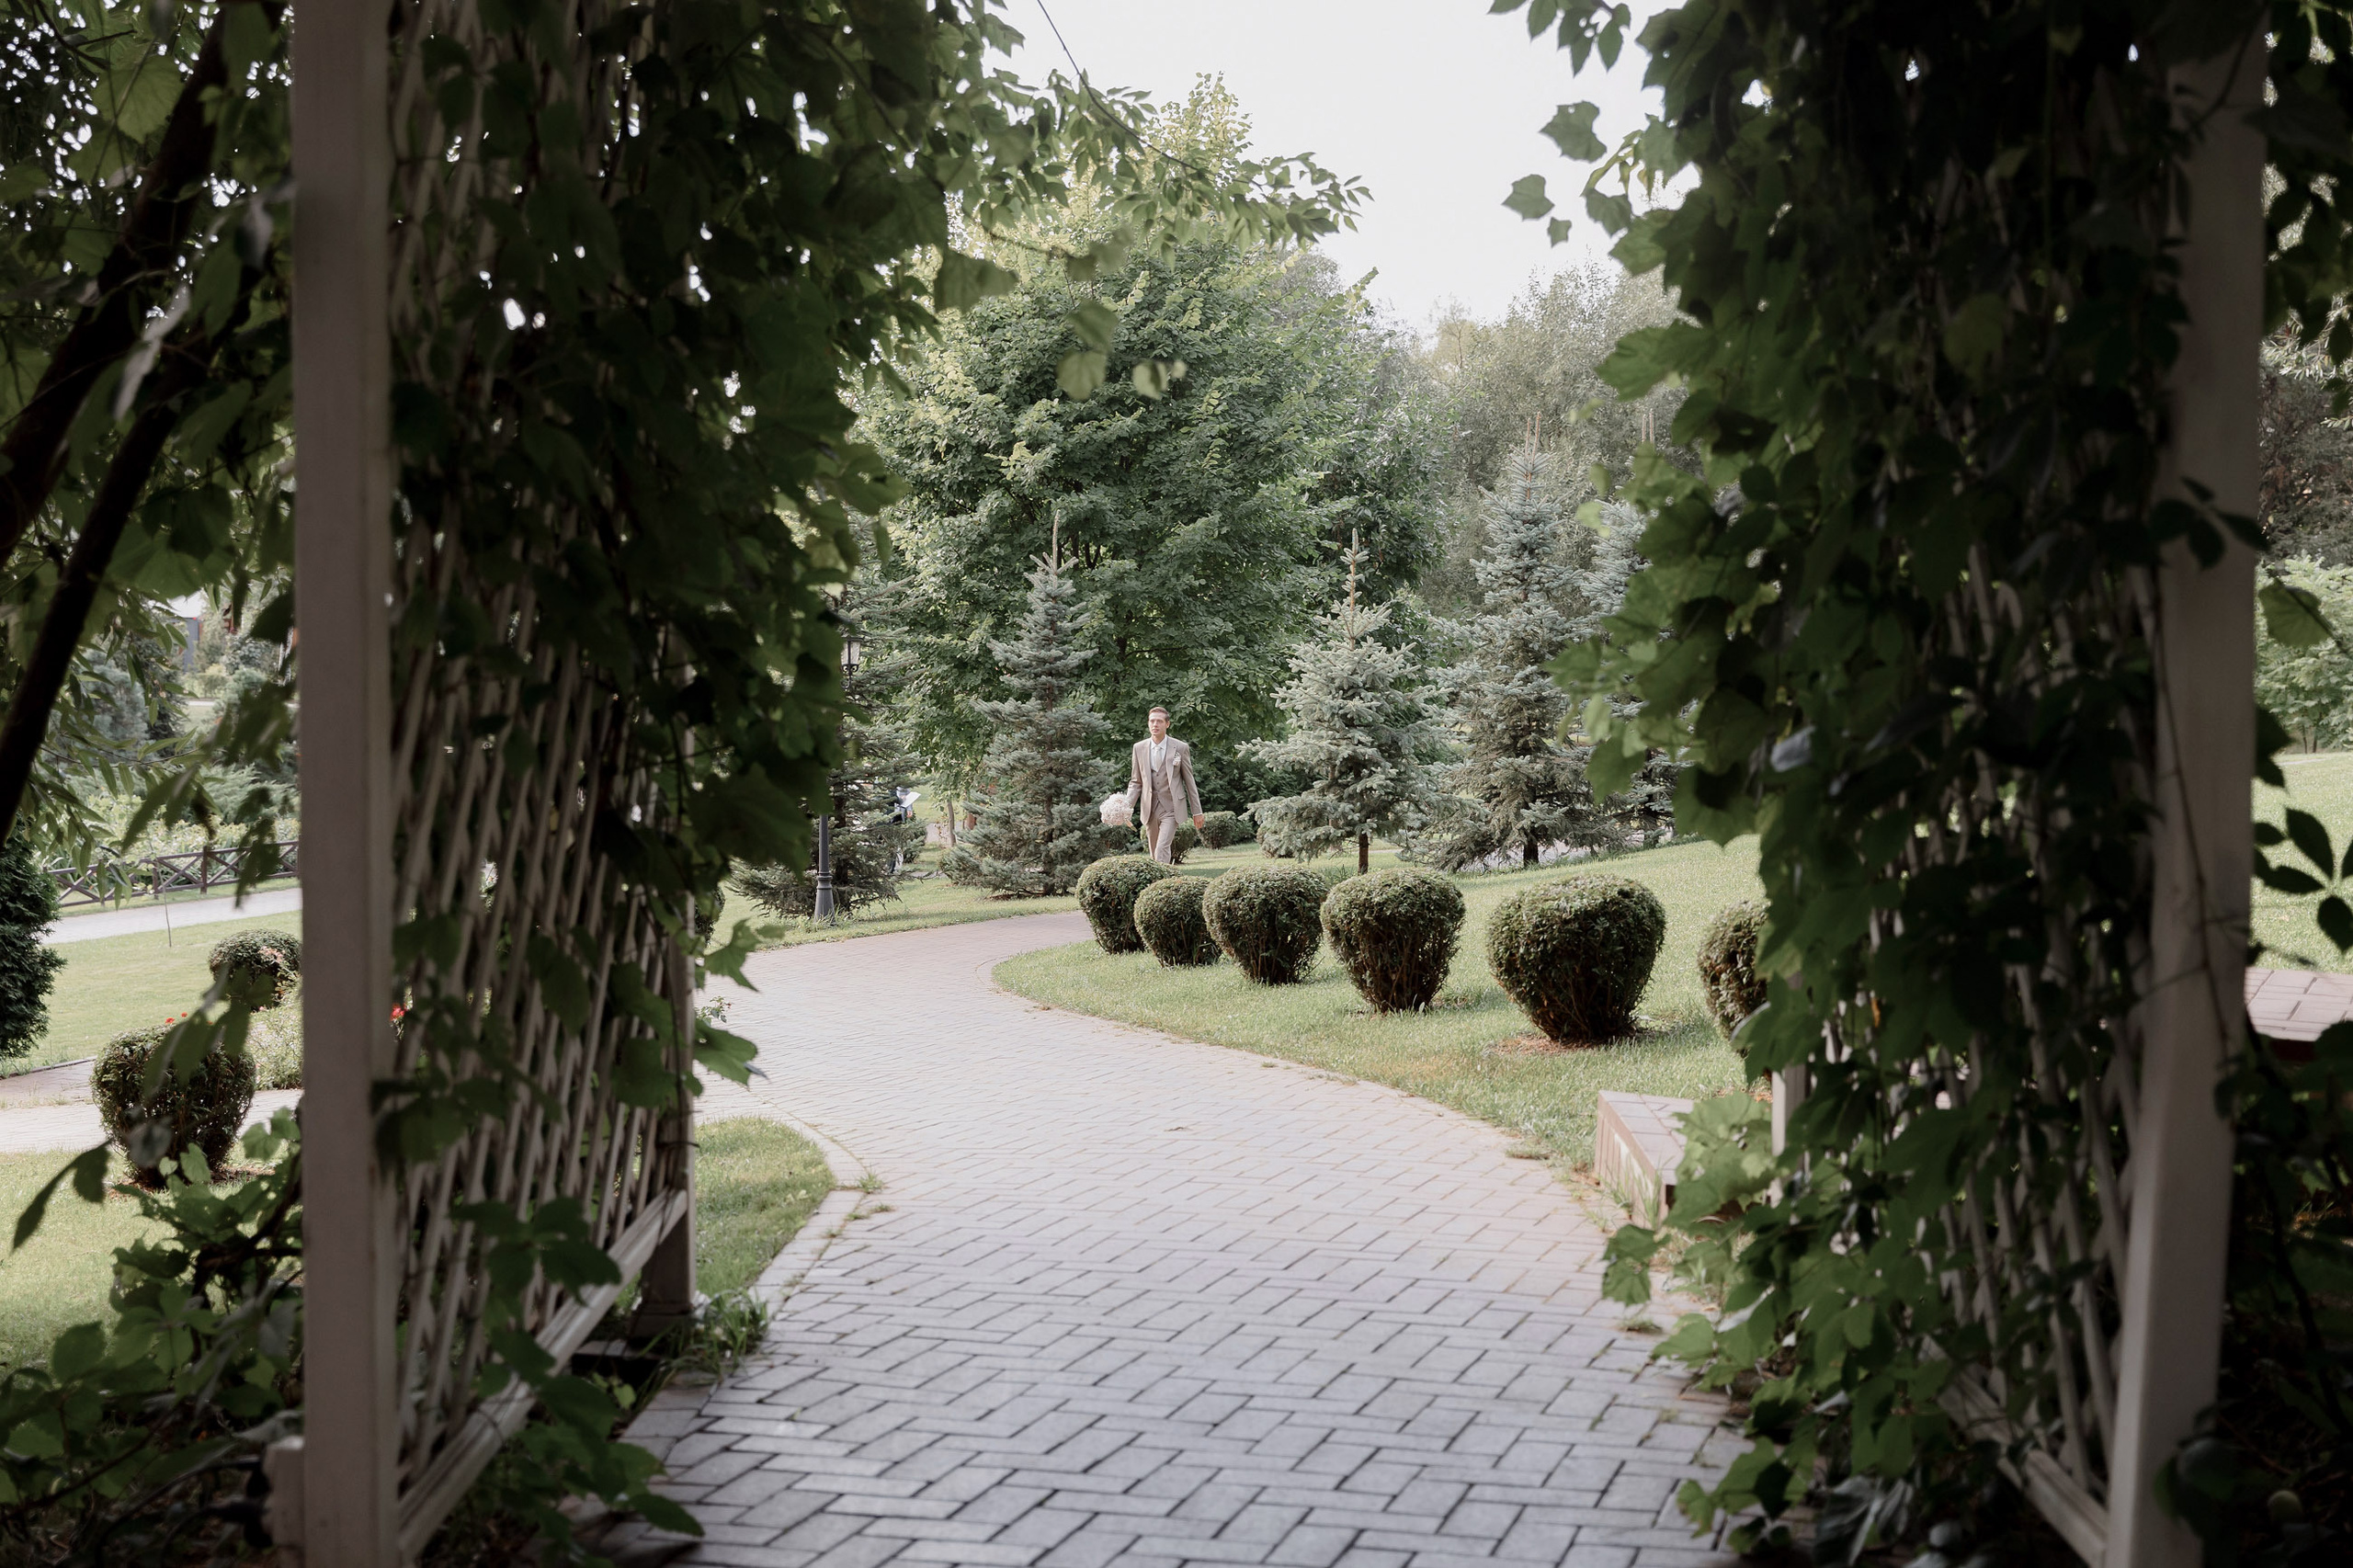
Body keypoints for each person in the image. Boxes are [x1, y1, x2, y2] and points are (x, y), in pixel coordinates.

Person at [1126, 706, 1205, 865]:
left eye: (1159, 721)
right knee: (1154, 852)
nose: (1155, 724)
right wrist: (1126, 808)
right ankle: (1160, 884)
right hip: (1150, 808)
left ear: (1167, 724)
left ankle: (1162, 881)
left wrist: (1197, 811)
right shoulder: (1139, 748)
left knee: (1162, 847)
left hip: (1171, 808)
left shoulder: (1180, 748)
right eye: (1152, 721)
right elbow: (1135, 782)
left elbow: (1189, 782)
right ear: (1148, 723)